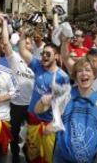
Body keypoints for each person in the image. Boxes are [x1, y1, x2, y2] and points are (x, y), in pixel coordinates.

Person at [35, 57, 97, 163]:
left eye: (88, 70)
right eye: (80, 71)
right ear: (75, 77)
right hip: (62, 157)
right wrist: (43, 102)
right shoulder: (65, 96)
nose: (84, 73)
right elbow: (38, 110)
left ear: (94, 75)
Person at [19, 28, 70, 163]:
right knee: (32, 155)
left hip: (49, 125)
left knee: (49, 158)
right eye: (43, 54)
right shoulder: (37, 66)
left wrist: (54, 124)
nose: (44, 56)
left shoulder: (62, 77)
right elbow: (23, 51)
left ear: (57, 56)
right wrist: (23, 35)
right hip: (33, 120)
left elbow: (63, 108)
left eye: (48, 54)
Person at [1, 15, 35, 163]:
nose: (27, 45)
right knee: (13, 135)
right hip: (16, 105)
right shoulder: (15, 58)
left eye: (29, 43)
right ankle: (15, 157)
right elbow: (5, 42)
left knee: (32, 137)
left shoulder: (38, 63)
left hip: (33, 107)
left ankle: (29, 157)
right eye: (24, 42)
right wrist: (4, 22)